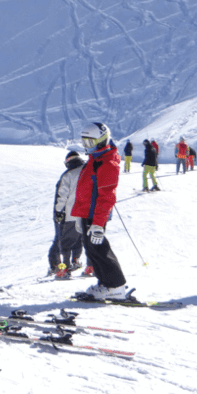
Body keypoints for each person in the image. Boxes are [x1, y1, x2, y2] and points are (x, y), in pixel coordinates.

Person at [71, 122, 131, 300]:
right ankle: (105, 283)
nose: (86, 147)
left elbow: (107, 196)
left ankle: (116, 286)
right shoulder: (96, 158)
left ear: (102, 141)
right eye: (84, 142)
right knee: (91, 249)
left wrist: (98, 224)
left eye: (90, 142)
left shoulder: (107, 162)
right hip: (87, 212)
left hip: (96, 214)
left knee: (100, 249)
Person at [49, 147, 86, 277]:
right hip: (85, 213)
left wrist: (58, 212)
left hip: (69, 213)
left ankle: (61, 268)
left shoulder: (68, 175)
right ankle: (79, 261)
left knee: (63, 242)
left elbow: (61, 195)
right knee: (81, 239)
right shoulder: (87, 171)